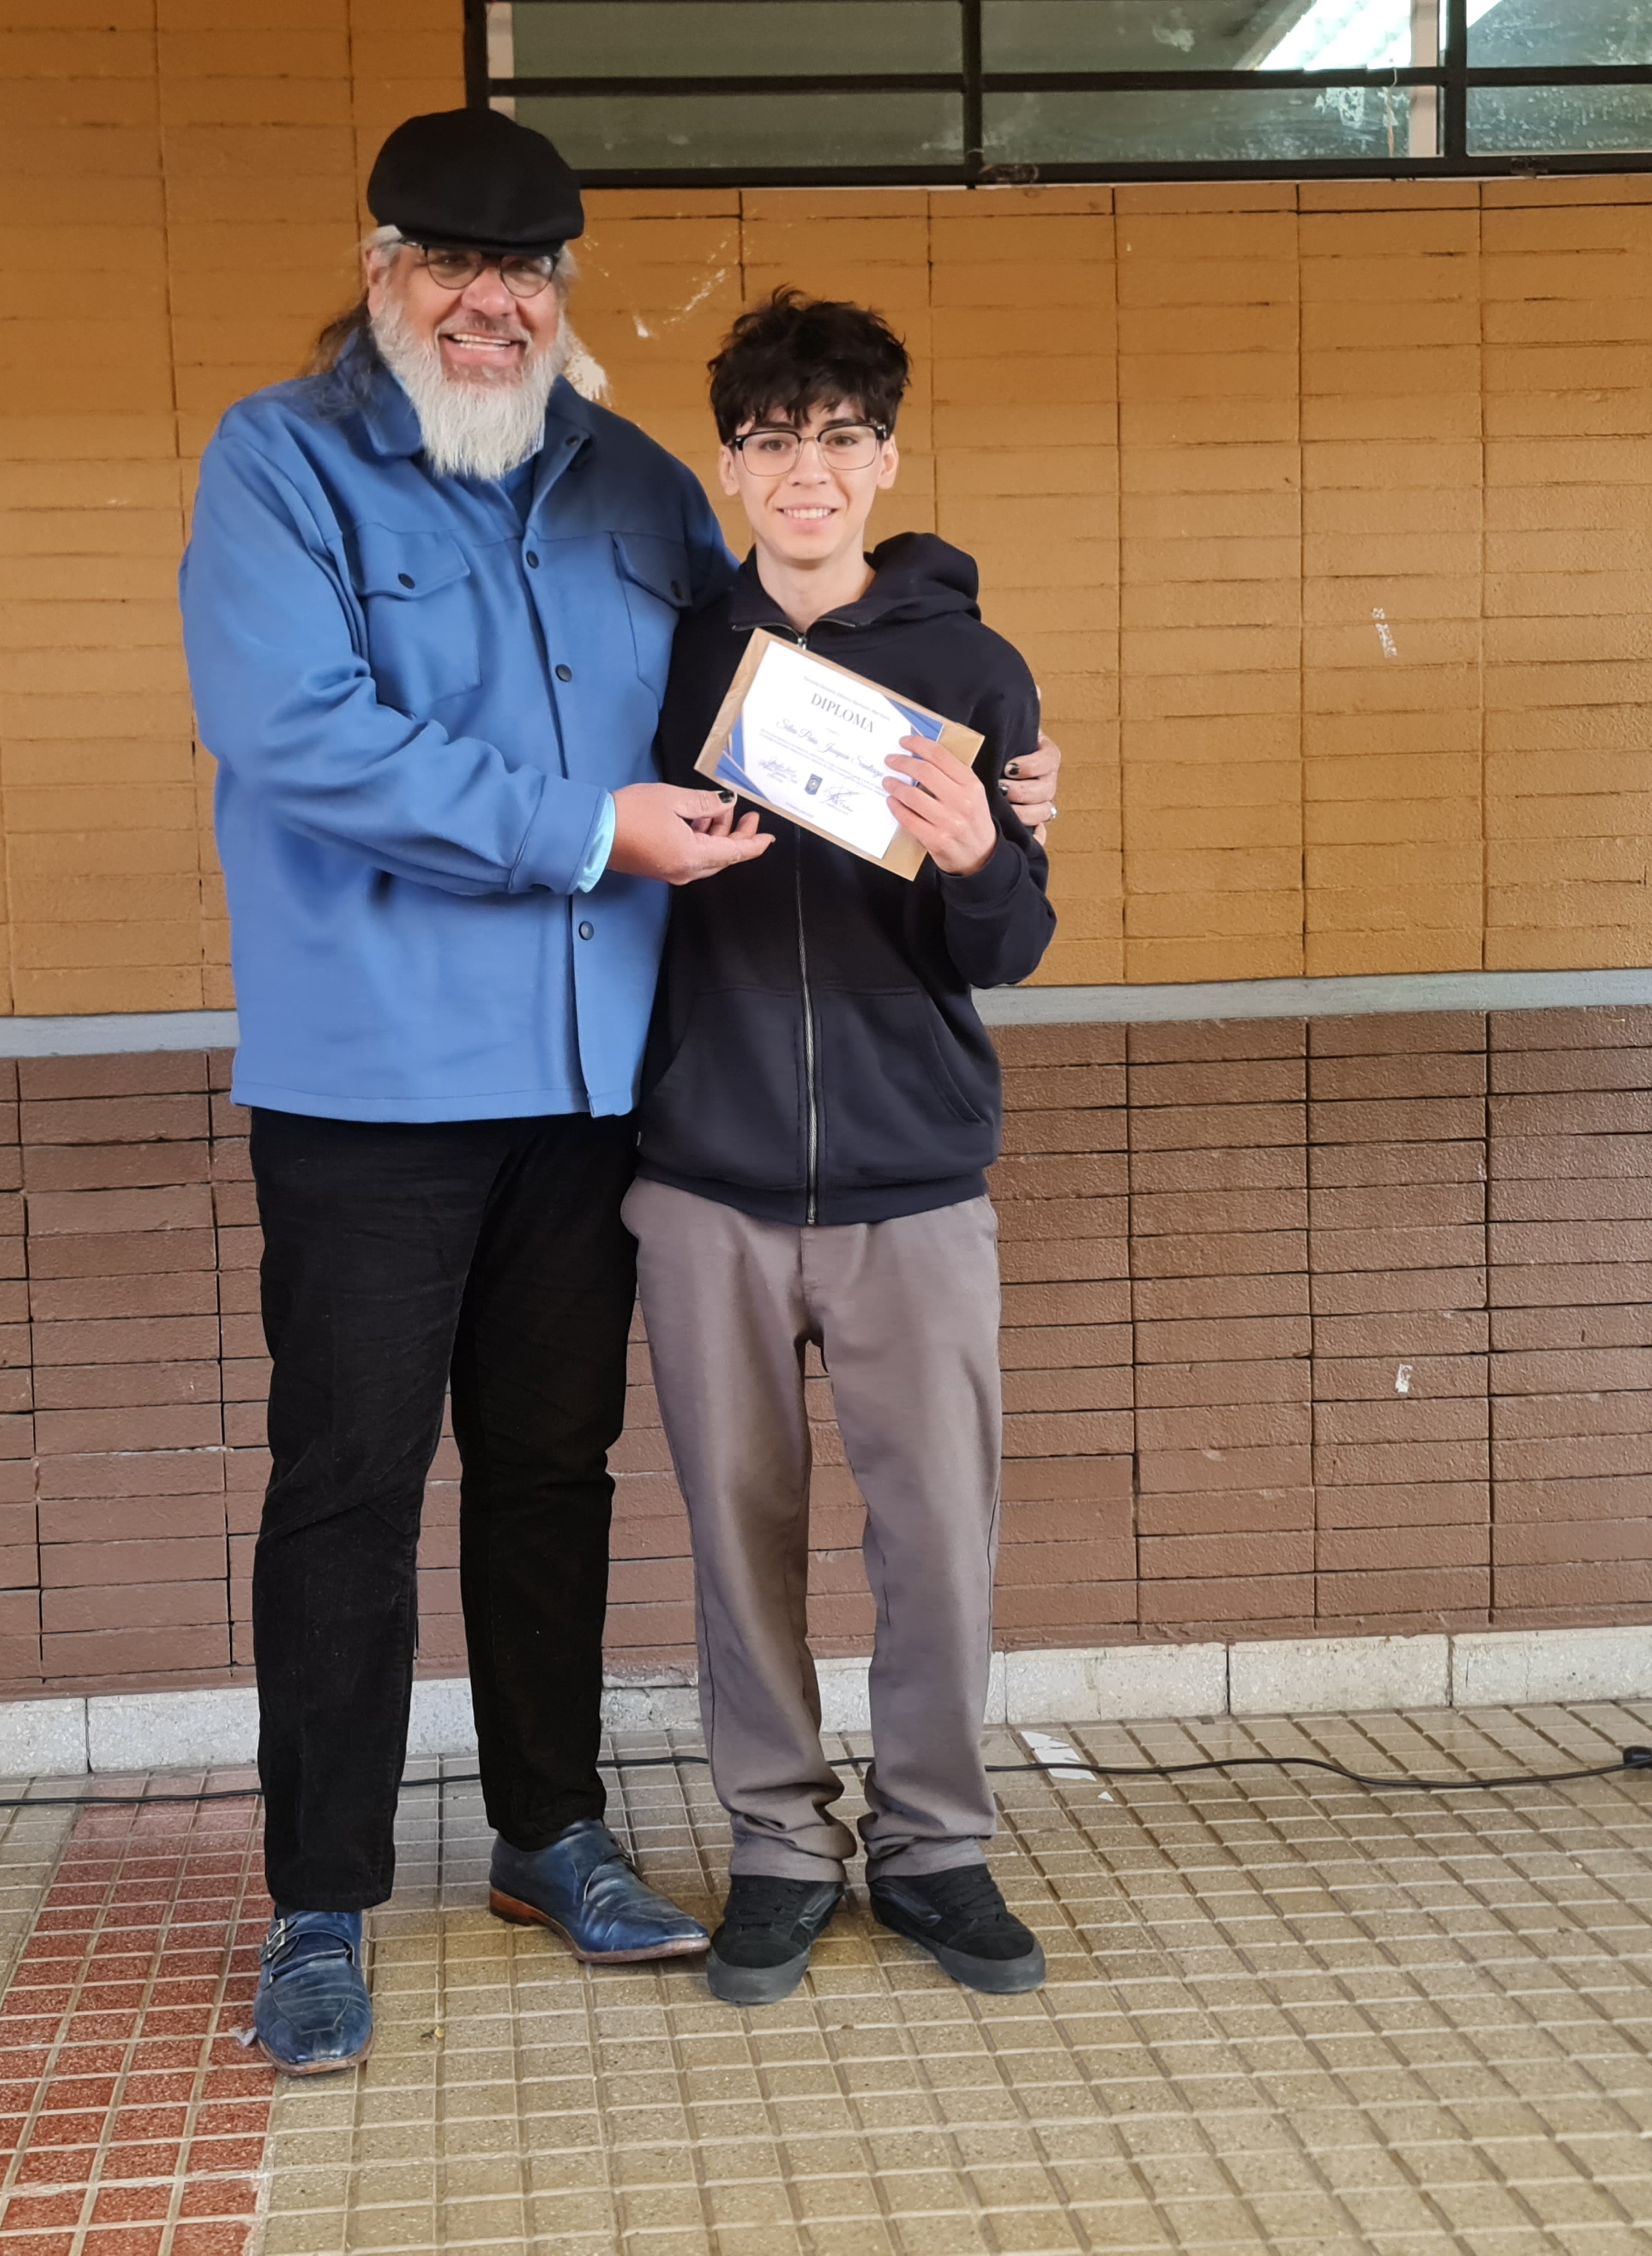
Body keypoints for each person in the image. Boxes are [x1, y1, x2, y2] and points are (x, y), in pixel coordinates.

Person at [180, 112, 1064, 2076]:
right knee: (346, 1488)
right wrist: (587, 831)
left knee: (549, 1479)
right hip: (373, 1088)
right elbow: (296, 731)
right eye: (450, 264)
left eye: (527, 273)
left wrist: (991, 766)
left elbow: (795, 628)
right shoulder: (280, 463)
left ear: (562, 293)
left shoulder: (627, 482)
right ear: (382, 267)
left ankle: (548, 1833)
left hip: (596, 1096)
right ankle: (319, 1897)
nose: (490, 305)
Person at [624, 292, 1056, 2006]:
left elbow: (1009, 949)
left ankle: (935, 1844)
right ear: (729, 467)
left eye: (840, 438)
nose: (807, 469)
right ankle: (780, 1846)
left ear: (885, 459)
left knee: (937, 1536)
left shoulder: (970, 667)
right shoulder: (670, 658)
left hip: (915, 1180)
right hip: (702, 1175)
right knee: (739, 1536)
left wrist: (979, 860)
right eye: (772, 439)